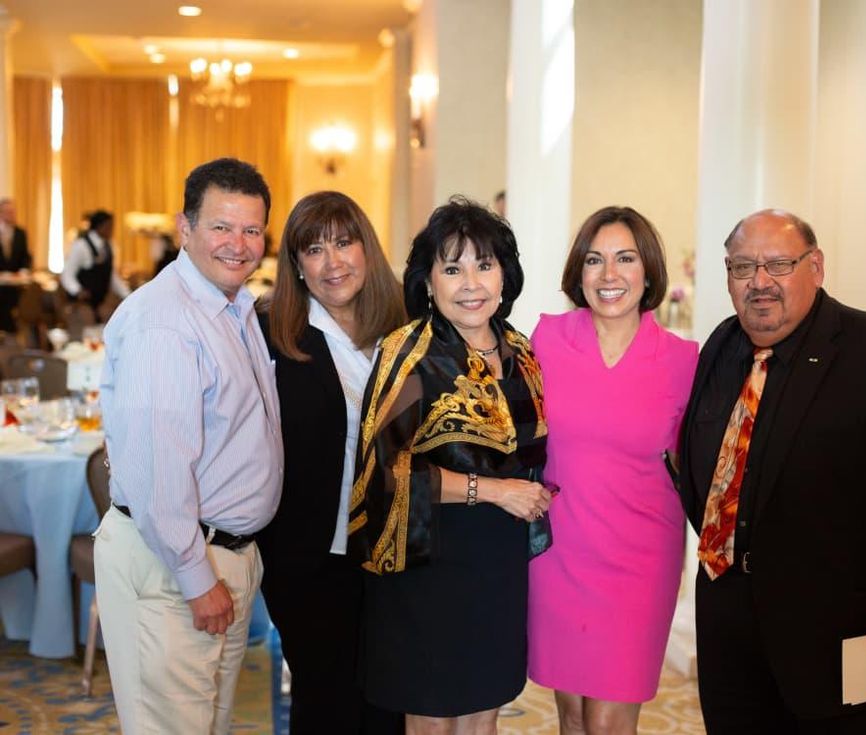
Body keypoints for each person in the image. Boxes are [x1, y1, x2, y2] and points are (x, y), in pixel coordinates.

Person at [676, 209, 866, 734]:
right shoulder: (722, 346)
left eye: (779, 264)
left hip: (852, 630)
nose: (759, 282)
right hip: (732, 625)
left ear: (817, 267)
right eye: (742, 267)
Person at [349, 196, 552, 734]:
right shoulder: (409, 355)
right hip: (426, 565)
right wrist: (495, 491)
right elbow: (385, 473)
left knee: (484, 711)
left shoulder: (520, 350)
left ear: (505, 275)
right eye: (453, 268)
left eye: (485, 266)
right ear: (428, 282)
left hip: (497, 564)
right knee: (433, 718)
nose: (471, 283)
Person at [94, 158, 284, 734]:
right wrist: (197, 578)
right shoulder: (166, 322)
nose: (238, 244)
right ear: (185, 228)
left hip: (219, 557)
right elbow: (159, 471)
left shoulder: (233, 306)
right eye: (221, 227)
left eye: (252, 230)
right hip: (174, 565)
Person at [527, 206, 697, 733]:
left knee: (607, 722)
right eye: (595, 260)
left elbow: (700, 462)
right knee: (573, 716)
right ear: (579, 272)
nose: (609, 275)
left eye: (625, 259)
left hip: (639, 561)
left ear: (648, 271)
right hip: (559, 554)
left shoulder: (683, 359)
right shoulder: (545, 341)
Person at [256, 191, 406, 735]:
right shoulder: (271, 335)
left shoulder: (404, 332)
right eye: (314, 250)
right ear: (296, 265)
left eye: (345, 243)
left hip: (391, 557)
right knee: (328, 704)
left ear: (367, 248)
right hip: (311, 557)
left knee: (389, 702)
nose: (333, 262)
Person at [60, 209, 131, 315]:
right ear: (99, 226)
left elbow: (111, 275)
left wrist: (127, 295)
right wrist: (78, 291)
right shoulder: (81, 245)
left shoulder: (109, 246)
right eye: (109, 226)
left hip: (100, 301)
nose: (112, 230)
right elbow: (67, 274)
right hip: (81, 304)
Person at [0, 197, 31, 333]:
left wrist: (24, 270)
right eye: (7, 212)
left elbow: (25, 256)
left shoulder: (20, 233)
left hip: (15, 284)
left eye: (13, 212)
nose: (11, 215)